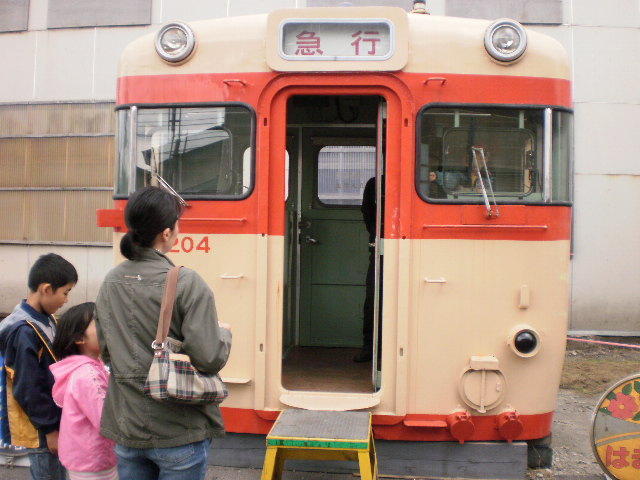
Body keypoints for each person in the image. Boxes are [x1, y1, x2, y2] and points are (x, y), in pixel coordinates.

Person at [95, 186, 232, 480]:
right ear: (167, 233)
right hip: (177, 428)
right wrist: (224, 336)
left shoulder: (111, 281)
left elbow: (106, 350)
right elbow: (208, 359)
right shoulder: (187, 282)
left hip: (127, 425)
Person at [0, 253, 78, 480]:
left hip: (51, 420)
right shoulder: (24, 330)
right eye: (65, 292)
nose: (66, 300)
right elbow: (28, 387)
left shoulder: (45, 318)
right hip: (41, 428)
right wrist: (50, 430)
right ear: (46, 289)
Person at [50, 302, 117, 480]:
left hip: (85, 459)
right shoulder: (87, 375)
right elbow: (106, 420)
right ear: (80, 338)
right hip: (94, 462)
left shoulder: (89, 367)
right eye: (99, 322)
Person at [354, 176, 382, 363]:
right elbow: (367, 211)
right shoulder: (374, 183)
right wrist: (375, 234)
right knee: (373, 299)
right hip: (378, 246)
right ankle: (369, 347)